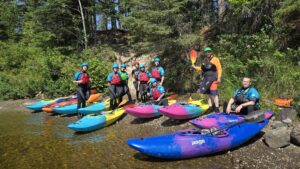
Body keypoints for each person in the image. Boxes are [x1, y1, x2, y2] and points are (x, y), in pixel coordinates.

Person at [192, 47, 222, 113]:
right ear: (205, 53)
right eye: (206, 52)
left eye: (209, 51)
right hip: (206, 79)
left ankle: (216, 107)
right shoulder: (205, 60)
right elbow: (202, 68)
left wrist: (219, 78)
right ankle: (210, 107)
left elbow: (219, 69)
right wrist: (194, 67)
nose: (208, 53)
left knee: (214, 93)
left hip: (213, 78)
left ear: (211, 52)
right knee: (208, 94)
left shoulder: (215, 59)